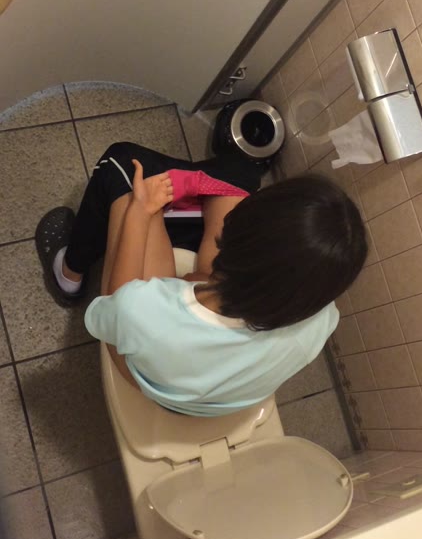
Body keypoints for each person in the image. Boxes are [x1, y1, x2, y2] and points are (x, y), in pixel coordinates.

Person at [35, 141, 367, 417]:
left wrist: (141, 212)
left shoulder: (144, 313)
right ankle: (182, 212)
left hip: (149, 376)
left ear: (233, 238)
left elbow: (115, 307)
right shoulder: (320, 317)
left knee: (121, 164)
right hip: (212, 398)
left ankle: (68, 275)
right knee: (241, 173)